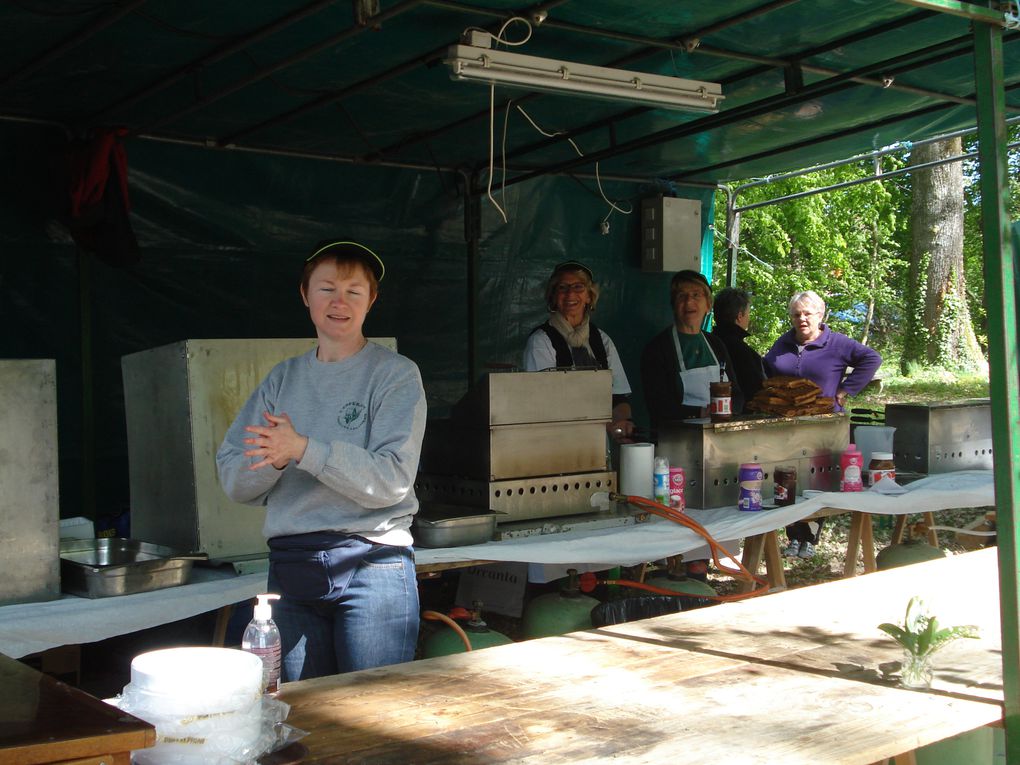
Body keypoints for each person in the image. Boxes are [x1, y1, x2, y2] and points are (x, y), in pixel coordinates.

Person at [216, 240, 427, 681]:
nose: (339, 302)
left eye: (354, 290)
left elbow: (391, 479)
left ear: (371, 300)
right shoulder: (282, 379)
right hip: (293, 568)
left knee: (375, 714)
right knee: (302, 715)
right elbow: (236, 481)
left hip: (375, 565)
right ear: (305, 295)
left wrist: (303, 450)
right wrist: (274, 461)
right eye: (327, 288)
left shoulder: (394, 374)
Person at [764, 289, 882, 559]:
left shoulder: (837, 343)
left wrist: (845, 390)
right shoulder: (783, 343)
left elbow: (872, 359)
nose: (802, 319)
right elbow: (767, 369)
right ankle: (794, 536)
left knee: (818, 478)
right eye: (796, 314)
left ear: (821, 315)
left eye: (808, 313)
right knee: (790, 476)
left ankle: (811, 536)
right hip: (788, 425)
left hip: (825, 424)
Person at [523, 260, 634, 441]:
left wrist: (622, 422)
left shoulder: (602, 340)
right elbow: (545, 402)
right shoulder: (541, 341)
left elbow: (619, 396)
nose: (570, 293)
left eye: (578, 287)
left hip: (597, 444)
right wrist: (605, 424)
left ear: (589, 296)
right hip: (554, 440)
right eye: (562, 287)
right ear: (553, 296)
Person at [641, 269, 743, 434]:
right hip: (677, 439)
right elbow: (658, 406)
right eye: (681, 296)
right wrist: (700, 413)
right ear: (673, 305)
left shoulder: (716, 344)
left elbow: (736, 393)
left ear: (708, 305)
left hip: (720, 436)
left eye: (696, 295)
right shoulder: (658, 349)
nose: (689, 302)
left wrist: (730, 410)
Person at [710, 287, 765, 402]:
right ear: (740, 316)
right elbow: (757, 392)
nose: (748, 318)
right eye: (748, 313)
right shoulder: (744, 352)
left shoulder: (707, 343)